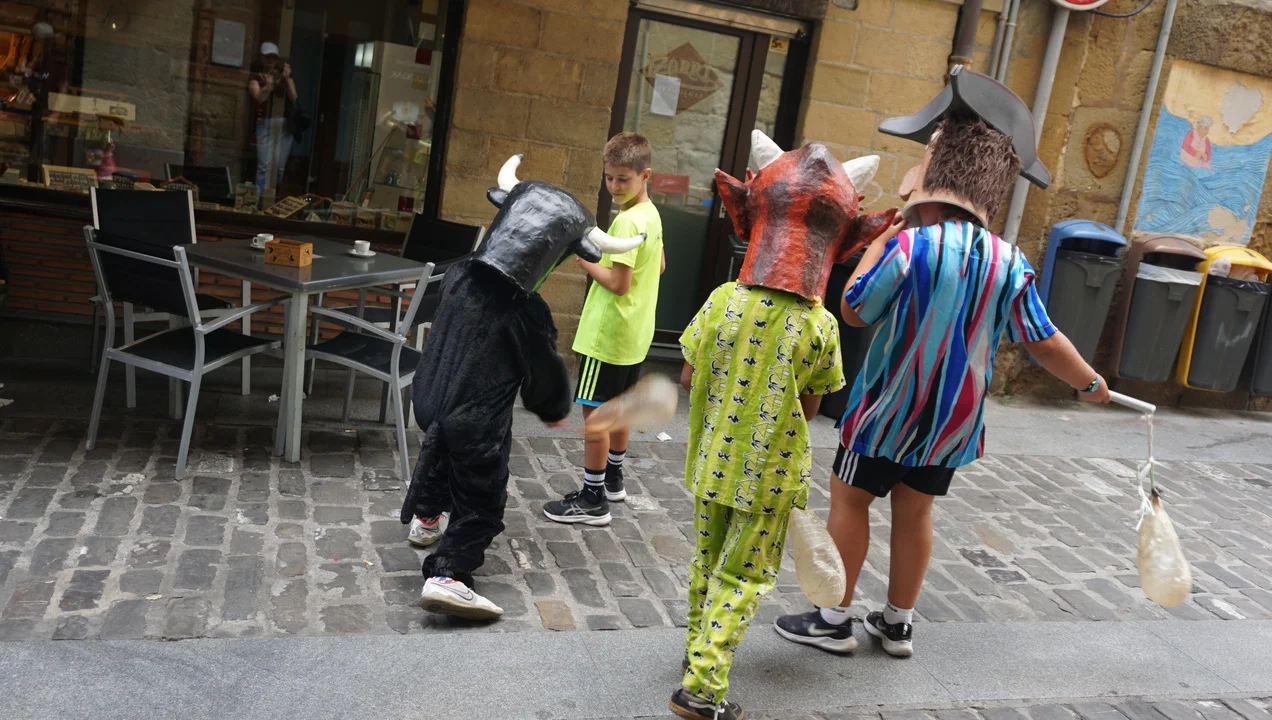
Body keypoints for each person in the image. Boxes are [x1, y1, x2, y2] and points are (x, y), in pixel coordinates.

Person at [774, 67, 1111, 660]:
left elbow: (855, 309)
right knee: (916, 513)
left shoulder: (910, 246)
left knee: (850, 499)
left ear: (933, 175)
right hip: (950, 425)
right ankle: (898, 623)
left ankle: (832, 618)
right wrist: (1089, 381)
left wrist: (879, 244)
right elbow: (1042, 339)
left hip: (885, 413)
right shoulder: (1009, 261)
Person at [670, 130, 896, 720]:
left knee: (707, 562)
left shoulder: (722, 301)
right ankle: (702, 688)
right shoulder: (819, 327)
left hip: (712, 462)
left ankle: (696, 654)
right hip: (770, 476)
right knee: (743, 577)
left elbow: (690, 376)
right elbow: (814, 407)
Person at [401, 155, 645, 619]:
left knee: (440, 448)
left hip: (429, 399)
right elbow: (544, 378)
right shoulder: (525, 312)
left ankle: (427, 517)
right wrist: (553, 405)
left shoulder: (459, 273)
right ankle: (449, 575)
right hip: (477, 423)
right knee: (482, 499)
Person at [543, 132, 665, 526]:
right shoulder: (651, 214)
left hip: (607, 337)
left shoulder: (627, 220)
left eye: (623, 179)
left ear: (645, 175)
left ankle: (593, 499)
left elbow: (619, 283)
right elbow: (660, 265)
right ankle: (613, 479)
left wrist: (587, 261)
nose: (614, 185)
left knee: (596, 418)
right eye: (609, 177)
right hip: (635, 334)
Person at [248, 42, 297, 192]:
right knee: (264, 166)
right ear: (261, 58)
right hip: (265, 123)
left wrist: (287, 78)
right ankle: (260, 197)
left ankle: (273, 196)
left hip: (283, 124)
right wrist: (268, 86)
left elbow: (294, 97)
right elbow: (259, 98)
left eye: (273, 58)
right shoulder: (256, 77)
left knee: (279, 166)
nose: (270, 61)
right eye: (267, 57)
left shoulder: (283, 76)